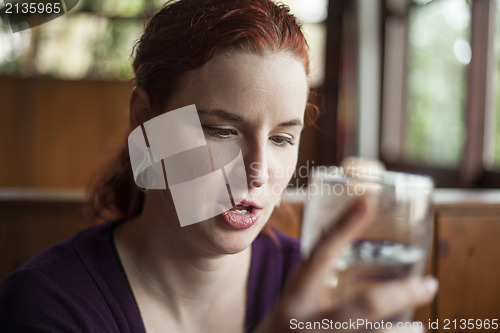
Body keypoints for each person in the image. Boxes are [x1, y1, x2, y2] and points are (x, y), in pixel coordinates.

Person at [0, 0, 438, 332]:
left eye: (282, 138)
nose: (258, 171)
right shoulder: (47, 305)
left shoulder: (322, 290)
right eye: (221, 131)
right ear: (145, 121)